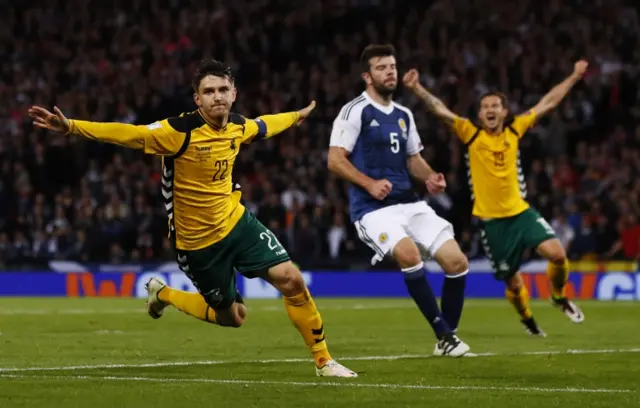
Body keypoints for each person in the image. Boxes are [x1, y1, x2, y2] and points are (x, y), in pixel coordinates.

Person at [28, 58, 357, 377]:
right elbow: (127, 133)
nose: (217, 96)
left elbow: (266, 124)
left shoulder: (238, 126)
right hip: (197, 244)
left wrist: (296, 115)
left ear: (233, 94)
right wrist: (71, 127)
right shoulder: (178, 132)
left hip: (236, 223)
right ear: (197, 99)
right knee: (234, 317)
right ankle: (165, 294)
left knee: (292, 279)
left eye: (222, 89)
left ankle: (324, 361)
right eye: (209, 91)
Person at [403, 60, 588, 336]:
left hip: (521, 213)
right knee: (513, 283)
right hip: (492, 223)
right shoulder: (472, 134)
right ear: (479, 114)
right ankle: (527, 318)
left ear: (504, 112)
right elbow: (441, 111)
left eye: (495, 106)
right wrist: (417, 88)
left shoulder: (515, 130)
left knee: (558, 255)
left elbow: (548, 102)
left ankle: (559, 296)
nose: (490, 110)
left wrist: (574, 76)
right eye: (485, 107)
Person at [328, 44, 470, 357]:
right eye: (381, 67)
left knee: (457, 262)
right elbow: (335, 160)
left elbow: (413, 159)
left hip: (411, 202)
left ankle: (448, 337)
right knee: (408, 254)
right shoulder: (355, 111)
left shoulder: (404, 114)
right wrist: (368, 183)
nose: (390, 72)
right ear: (367, 76)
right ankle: (444, 335)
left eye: (392, 66)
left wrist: (431, 176)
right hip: (373, 208)